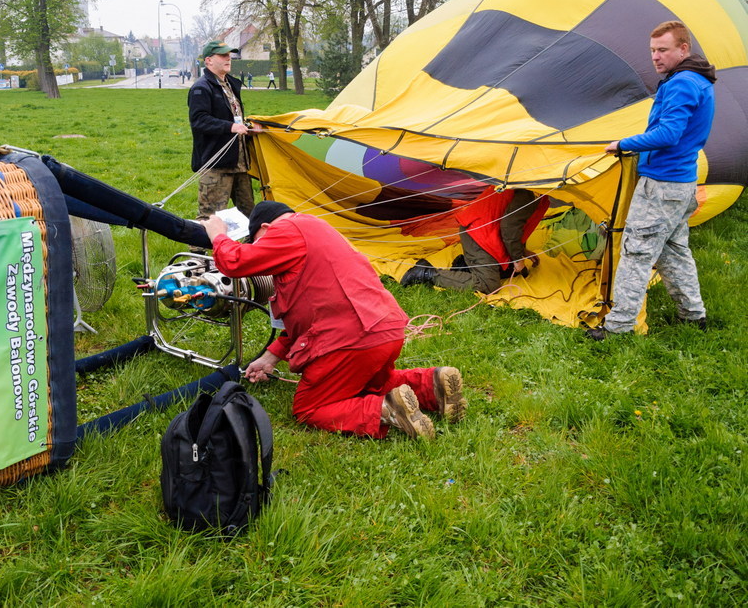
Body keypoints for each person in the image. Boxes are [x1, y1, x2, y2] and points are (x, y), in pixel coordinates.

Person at [204, 201, 468, 440]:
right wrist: (270, 357)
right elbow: (307, 319)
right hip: (383, 330)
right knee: (369, 384)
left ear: (265, 227)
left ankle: (385, 410)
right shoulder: (318, 233)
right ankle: (432, 386)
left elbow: (235, 262)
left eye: (258, 241)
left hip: (350, 339)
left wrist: (217, 233)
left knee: (310, 408)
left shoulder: (287, 229)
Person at [588, 20, 714, 340]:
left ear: (683, 49)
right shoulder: (699, 80)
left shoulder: (682, 83)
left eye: (663, 50)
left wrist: (622, 144)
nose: (655, 57)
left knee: (636, 253)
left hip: (662, 184)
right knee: (673, 251)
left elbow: (668, 134)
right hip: (682, 183)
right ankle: (694, 315)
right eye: (652, 51)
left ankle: (617, 328)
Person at [401, 188, 549, 293]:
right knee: (488, 285)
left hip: (485, 232)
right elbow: (509, 226)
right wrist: (517, 258)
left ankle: (465, 266)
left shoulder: (528, 186)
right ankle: (426, 273)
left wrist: (523, 251)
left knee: (517, 272)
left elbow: (516, 226)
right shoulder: (530, 193)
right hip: (479, 235)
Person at [188, 40, 256, 221]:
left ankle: (253, 247)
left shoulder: (230, 84)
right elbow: (199, 120)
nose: (229, 58)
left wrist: (248, 125)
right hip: (216, 163)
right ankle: (197, 249)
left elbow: (232, 114)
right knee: (210, 216)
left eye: (229, 55)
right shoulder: (201, 88)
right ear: (209, 60)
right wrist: (231, 127)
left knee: (250, 213)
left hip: (239, 162)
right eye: (223, 55)